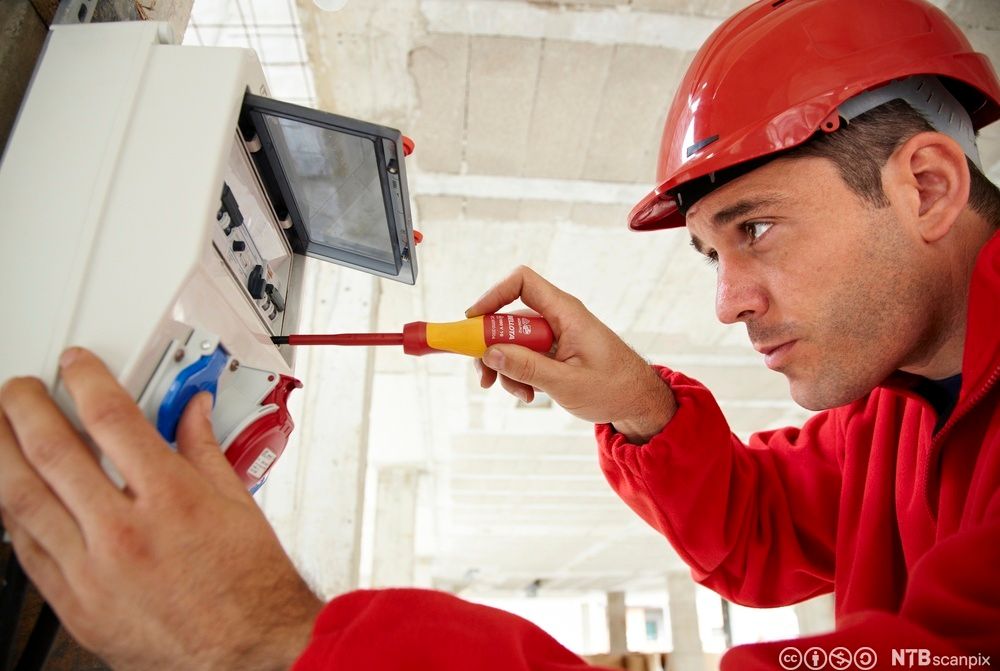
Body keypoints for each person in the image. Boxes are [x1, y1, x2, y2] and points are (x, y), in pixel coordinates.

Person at [1, 0, 998, 669]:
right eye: (711, 254)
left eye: (755, 228)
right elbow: (768, 526)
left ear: (924, 185)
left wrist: (264, 632)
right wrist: (640, 406)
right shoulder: (899, 402)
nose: (727, 302)